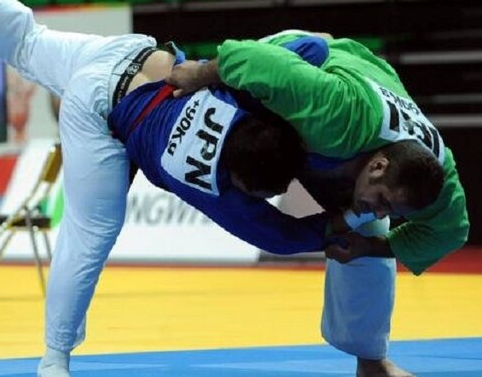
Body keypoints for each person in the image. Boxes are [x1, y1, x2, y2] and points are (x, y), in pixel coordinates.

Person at [0, 0, 360, 377]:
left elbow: (312, 45)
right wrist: (337, 226)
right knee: (92, 229)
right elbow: (277, 236)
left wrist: (318, 59)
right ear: (239, 179)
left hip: (128, 52)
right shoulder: (211, 183)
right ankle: (53, 360)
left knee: (27, 41)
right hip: (98, 108)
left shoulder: (244, 96)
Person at [167, 29, 470, 377]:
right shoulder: (338, 114)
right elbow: (247, 57)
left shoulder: (437, 180)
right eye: (383, 199)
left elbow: (451, 233)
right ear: (378, 166)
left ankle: (372, 363)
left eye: (393, 210)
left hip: (343, 112)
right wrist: (198, 74)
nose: (381, 209)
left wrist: (372, 246)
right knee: (237, 162)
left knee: (368, 231)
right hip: (297, 65)